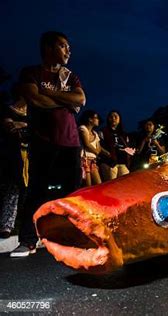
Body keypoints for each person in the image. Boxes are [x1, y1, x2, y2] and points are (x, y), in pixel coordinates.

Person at [11, 31, 86, 257]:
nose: (68, 51)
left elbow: (80, 99)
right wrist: (62, 100)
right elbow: (35, 99)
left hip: (70, 141)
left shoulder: (70, 76)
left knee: (72, 193)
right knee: (37, 190)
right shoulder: (31, 72)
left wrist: (47, 92)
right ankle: (28, 240)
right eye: (63, 46)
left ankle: (76, 237)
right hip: (43, 141)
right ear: (48, 48)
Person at [0, 95, 28, 238]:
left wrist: (21, 125)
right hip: (10, 152)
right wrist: (23, 125)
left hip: (27, 155)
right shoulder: (8, 110)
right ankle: (7, 224)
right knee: (10, 186)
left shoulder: (32, 113)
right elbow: (8, 126)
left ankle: (13, 224)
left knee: (22, 190)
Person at [99, 110, 135, 181]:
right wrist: (108, 154)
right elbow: (99, 146)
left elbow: (128, 148)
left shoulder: (124, 134)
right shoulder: (103, 131)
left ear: (119, 119)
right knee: (110, 185)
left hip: (123, 163)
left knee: (124, 184)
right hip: (109, 162)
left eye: (116, 116)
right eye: (111, 117)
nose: (113, 118)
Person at [78, 110, 106, 186]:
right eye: (96, 118)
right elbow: (86, 144)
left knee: (99, 184)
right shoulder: (83, 128)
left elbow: (99, 147)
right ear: (90, 119)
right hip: (84, 160)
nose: (98, 120)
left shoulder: (95, 134)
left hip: (93, 161)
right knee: (87, 185)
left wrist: (98, 151)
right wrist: (96, 152)